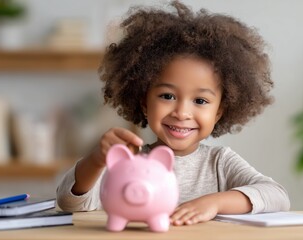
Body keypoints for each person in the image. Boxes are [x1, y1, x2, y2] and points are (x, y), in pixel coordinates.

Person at [57, 0, 290, 226]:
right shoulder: (131, 159)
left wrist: (215, 203)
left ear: (219, 112)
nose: (182, 112)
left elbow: (277, 196)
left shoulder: (220, 162)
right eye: (167, 96)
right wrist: (98, 159)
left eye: (200, 100)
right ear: (144, 101)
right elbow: (70, 203)